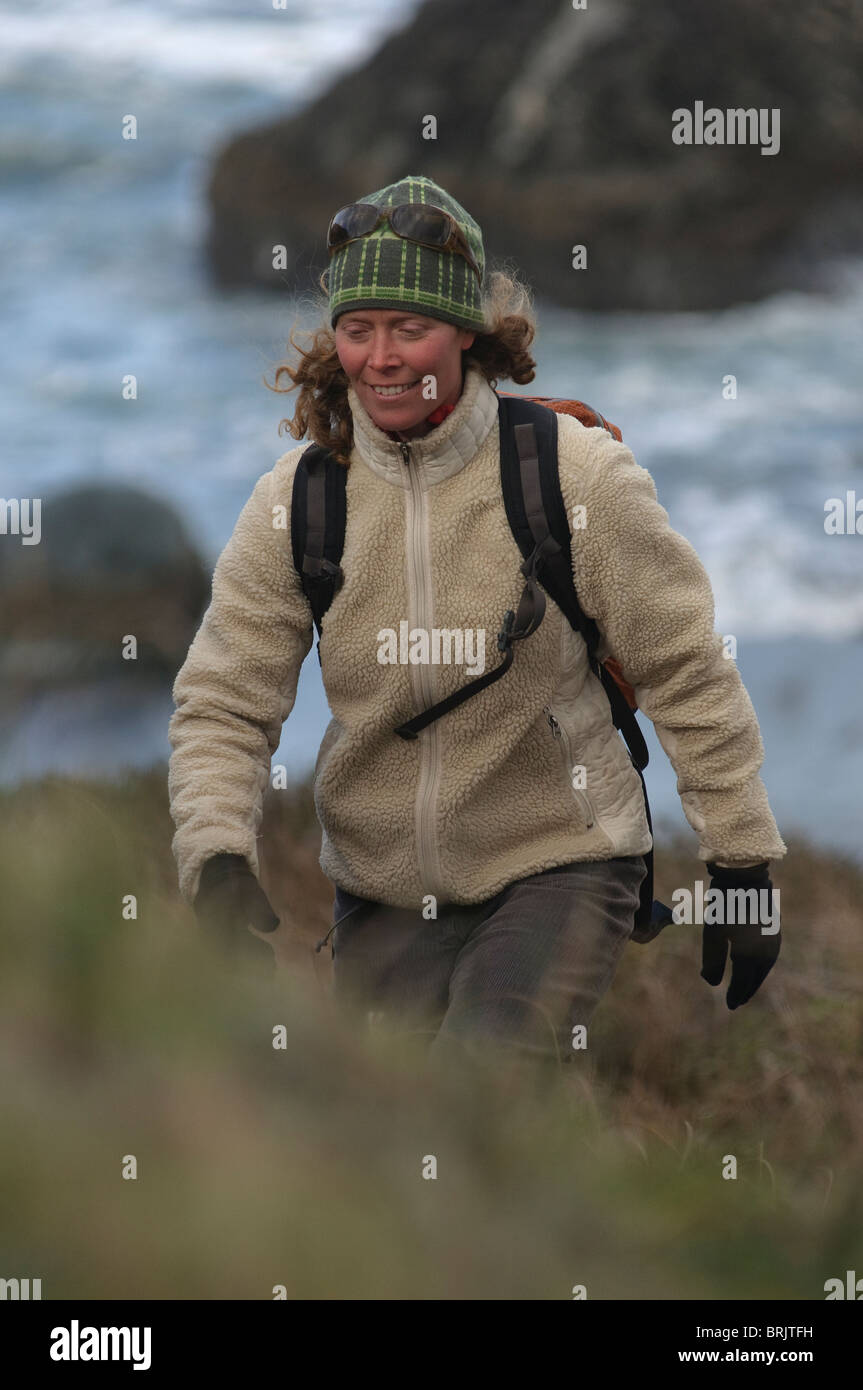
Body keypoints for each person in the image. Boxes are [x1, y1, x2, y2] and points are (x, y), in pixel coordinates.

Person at [168, 174, 785, 1072]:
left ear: (465, 333)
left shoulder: (572, 477)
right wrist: (215, 852)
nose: (381, 357)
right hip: (380, 891)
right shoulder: (297, 504)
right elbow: (225, 703)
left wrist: (740, 863)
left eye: (409, 328)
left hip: (562, 859)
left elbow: (685, 670)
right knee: (407, 1162)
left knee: (483, 1082)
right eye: (357, 328)